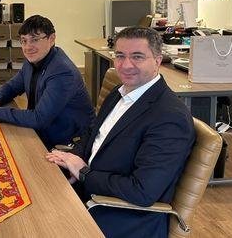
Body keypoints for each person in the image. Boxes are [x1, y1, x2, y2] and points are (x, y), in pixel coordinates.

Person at [46, 27, 195, 238]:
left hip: (122, 217)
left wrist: (84, 173)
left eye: (137, 57)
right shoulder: (119, 92)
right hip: (89, 191)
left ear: (158, 61)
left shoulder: (170, 117)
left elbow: (142, 191)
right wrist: (71, 159)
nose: (126, 65)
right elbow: (92, 134)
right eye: (120, 56)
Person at [0, 15, 94, 149]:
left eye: (34, 40)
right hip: (44, 132)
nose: (27, 47)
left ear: (51, 39)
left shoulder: (62, 72)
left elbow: (39, 118)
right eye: (23, 41)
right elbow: (13, 86)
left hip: (70, 144)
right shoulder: (35, 60)